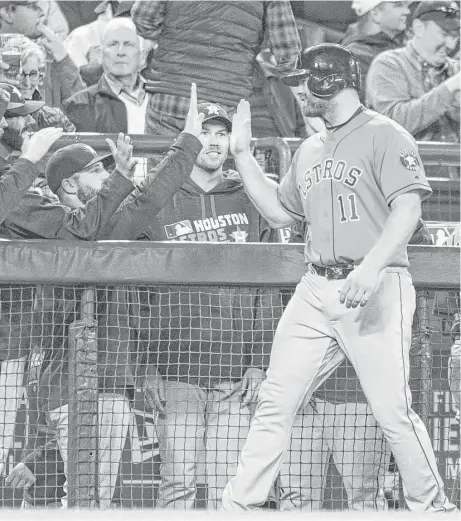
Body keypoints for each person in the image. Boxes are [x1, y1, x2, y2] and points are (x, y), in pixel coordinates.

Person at [221, 44, 456, 513]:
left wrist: (372, 268)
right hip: (314, 287)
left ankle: (432, 508)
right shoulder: (309, 148)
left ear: (327, 81)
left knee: (392, 412)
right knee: (275, 401)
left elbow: (408, 208)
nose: (298, 92)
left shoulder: (386, 134)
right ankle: (237, 507)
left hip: (375, 286)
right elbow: (279, 212)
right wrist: (244, 156)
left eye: (303, 81)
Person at [120, 102, 279, 509]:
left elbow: (270, 289)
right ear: (186, 140)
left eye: (221, 133)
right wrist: (144, 366)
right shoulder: (157, 201)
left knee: (233, 491)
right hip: (175, 372)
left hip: (235, 376)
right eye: (204, 132)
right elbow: (133, 293)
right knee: (178, 486)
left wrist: (261, 361)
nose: (213, 141)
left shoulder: (251, 199)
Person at [131, 0, 301, 137]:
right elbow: (288, 54)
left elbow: (142, 18)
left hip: (169, 100)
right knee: (216, 179)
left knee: (163, 178)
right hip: (224, 104)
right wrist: (250, 46)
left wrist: (170, 34)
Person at [366, 1, 460, 177]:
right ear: (418, 28)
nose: (450, 44)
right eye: (444, 34)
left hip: (451, 188)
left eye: (455, 36)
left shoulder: (456, 70)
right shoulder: (389, 64)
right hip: (401, 184)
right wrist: (449, 89)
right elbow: (393, 123)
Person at [63, 17, 148, 134]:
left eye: (129, 44)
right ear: (101, 55)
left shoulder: (164, 100)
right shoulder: (78, 105)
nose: (121, 52)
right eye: (113, 44)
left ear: (143, 57)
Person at [342, 1, 411, 101]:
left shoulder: (396, 43)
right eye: (398, 5)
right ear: (375, 13)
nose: (407, 11)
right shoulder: (357, 57)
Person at [17, 41, 75, 132]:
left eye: (33, 74)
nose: (27, 83)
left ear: (40, 76)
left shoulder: (57, 121)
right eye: (20, 74)